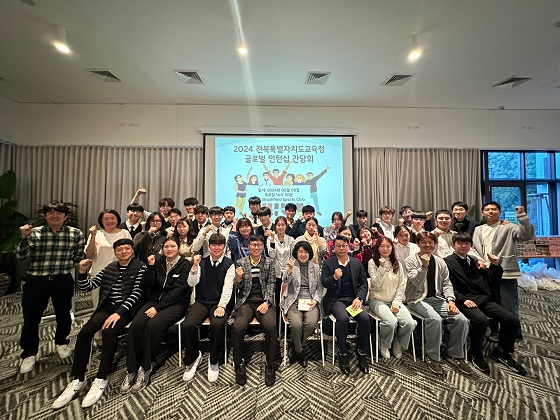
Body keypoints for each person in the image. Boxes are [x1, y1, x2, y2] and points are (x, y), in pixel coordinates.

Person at [51, 239, 145, 409]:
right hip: (107, 307)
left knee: (109, 332)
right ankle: (78, 378)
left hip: (127, 309)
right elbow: (88, 286)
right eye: (120, 249)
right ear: (115, 252)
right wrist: (82, 272)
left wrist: (119, 313)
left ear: (132, 250)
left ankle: (101, 377)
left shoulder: (140, 267)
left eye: (127, 249)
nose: (124, 252)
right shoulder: (110, 268)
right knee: (84, 333)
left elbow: (137, 293)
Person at [16, 201, 85, 374]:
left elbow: (77, 256)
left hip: (62, 279)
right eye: (51, 213)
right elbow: (21, 255)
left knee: (64, 313)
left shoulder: (75, 233)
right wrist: (24, 238)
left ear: (65, 217)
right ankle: (29, 352)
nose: (55, 216)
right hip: (36, 280)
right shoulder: (34, 233)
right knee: (31, 317)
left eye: (59, 213)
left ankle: (62, 342)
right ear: (45, 216)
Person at [444, 232, 526, 375]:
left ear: (470, 245)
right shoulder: (446, 262)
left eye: (466, 243)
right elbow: (446, 285)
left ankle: (501, 351)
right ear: (453, 245)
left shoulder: (474, 261)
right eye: (460, 243)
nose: (463, 246)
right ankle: (475, 353)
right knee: (481, 320)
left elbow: (491, 281)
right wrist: (461, 299)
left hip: (482, 298)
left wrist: (494, 265)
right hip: (463, 300)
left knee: (511, 319)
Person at [121, 237, 192, 393]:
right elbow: (146, 285)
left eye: (172, 246)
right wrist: (150, 267)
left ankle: (145, 367)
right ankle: (131, 369)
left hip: (176, 304)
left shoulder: (185, 264)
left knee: (153, 326)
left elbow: (178, 291)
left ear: (178, 248)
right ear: (162, 249)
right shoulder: (158, 262)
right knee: (136, 326)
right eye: (166, 246)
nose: (169, 249)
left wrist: (158, 308)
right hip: (153, 302)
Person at [404, 232, 472, 375]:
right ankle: (433, 356)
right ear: (418, 244)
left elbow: (447, 284)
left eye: (430, 242)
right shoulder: (410, 260)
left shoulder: (440, 262)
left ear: (435, 244)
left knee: (461, 320)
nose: (427, 245)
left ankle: (454, 354)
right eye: (424, 242)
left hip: (437, 299)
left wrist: (451, 300)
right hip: (417, 299)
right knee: (435, 319)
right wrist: (424, 267)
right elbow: (415, 282)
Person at [470, 203, 534, 342]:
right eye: (487, 209)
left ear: (499, 212)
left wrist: (521, 215)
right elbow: (473, 247)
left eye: (494, 209)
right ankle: (495, 331)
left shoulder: (509, 227)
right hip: (485, 271)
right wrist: (479, 260)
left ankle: (514, 335)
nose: (490, 212)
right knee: (490, 304)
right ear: (482, 213)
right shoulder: (479, 229)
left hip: (505, 271)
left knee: (508, 304)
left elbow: (527, 235)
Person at [182, 234, 234, 382]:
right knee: (187, 325)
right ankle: (193, 358)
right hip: (201, 302)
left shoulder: (229, 264)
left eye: (220, 245)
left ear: (224, 246)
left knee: (217, 324)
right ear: (209, 246)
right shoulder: (201, 262)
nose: (217, 248)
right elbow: (191, 283)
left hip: (219, 303)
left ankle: (214, 360)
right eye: (213, 245)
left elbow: (228, 288)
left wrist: (222, 305)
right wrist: (194, 267)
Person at [231, 235, 277, 387]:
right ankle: (239, 363)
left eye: (259, 245)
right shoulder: (241, 262)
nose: (256, 247)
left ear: (263, 246)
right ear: (248, 247)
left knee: (271, 327)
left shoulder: (269, 262)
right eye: (253, 245)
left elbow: (271, 284)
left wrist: (267, 302)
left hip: (263, 301)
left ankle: (270, 363)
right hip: (246, 301)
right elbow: (237, 288)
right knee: (238, 327)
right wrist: (238, 279)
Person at [322, 235, 370, 375]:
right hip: (336, 300)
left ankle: (361, 351)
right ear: (334, 248)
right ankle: (342, 352)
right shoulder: (328, 263)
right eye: (338, 246)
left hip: (353, 300)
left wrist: (359, 298)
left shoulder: (356, 263)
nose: (342, 248)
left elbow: (364, 284)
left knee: (364, 318)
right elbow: (324, 282)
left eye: (344, 245)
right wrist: (334, 278)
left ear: (348, 247)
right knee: (342, 318)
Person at [85, 209, 132, 340]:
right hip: (99, 275)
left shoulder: (124, 233)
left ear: (117, 219)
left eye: (112, 218)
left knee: (118, 305)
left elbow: (130, 254)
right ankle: (98, 336)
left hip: (121, 275)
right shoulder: (97, 234)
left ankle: (112, 334)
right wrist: (93, 236)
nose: (110, 221)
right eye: (106, 219)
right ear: (101, 221)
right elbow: (89, 254)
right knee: (98, 306)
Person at [367, 237, 416, 359]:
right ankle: (384, 343)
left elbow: (401, 286)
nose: (385, 249)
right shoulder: (372, 262)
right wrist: (381, 267)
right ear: (377, 248)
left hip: (394, 300)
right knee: (391, 322)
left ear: (392, 248)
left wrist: (396, 302)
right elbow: (376, 283)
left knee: (409, 323)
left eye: (388, 246)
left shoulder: (397, 263)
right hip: (377, 299)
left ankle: (398, 340)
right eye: (382, 246)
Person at [282, 241, 322, 367]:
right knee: (296, 324)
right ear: (296, 253)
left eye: (305, 252)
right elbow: (284, 280)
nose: (303, 254)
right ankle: (300, 352)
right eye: (300, 252)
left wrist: (316, 300)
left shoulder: (315, 267)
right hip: (294, 300)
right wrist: (289, 270)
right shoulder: (292, 265)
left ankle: (295, 346)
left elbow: (319, 287)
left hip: (310, 300)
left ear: (309, 253)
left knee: (310, 324)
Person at [267, 216, 296, 327]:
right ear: (275, 226)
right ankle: (277, 325)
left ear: (286, 226)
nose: (280, 227)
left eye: (282, 225)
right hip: (275, 273)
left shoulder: (291, 239)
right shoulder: (270, 238)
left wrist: (290, 268)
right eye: (278, 225)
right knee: (277, 300)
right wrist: (272, 240)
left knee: (287, 298)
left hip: (287, 273)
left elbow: (293, 256)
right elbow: (271, 255)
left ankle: (287, 326)